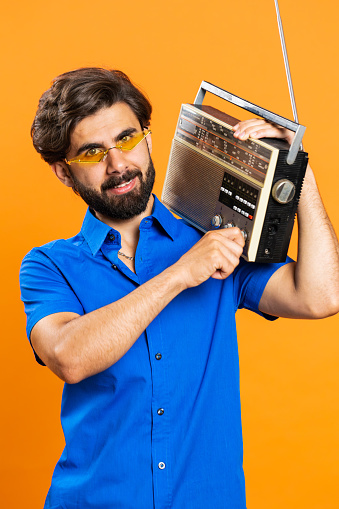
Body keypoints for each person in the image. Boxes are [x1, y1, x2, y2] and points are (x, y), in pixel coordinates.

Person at [20, 67, 339, 509]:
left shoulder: (214, 237)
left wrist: (296, 173)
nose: (118, 165)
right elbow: (69, 357)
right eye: (92, 154)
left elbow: (322, 296)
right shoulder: (48, 265)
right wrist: (180, 273)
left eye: (127, 139)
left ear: (148, 138)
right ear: (63, 171)